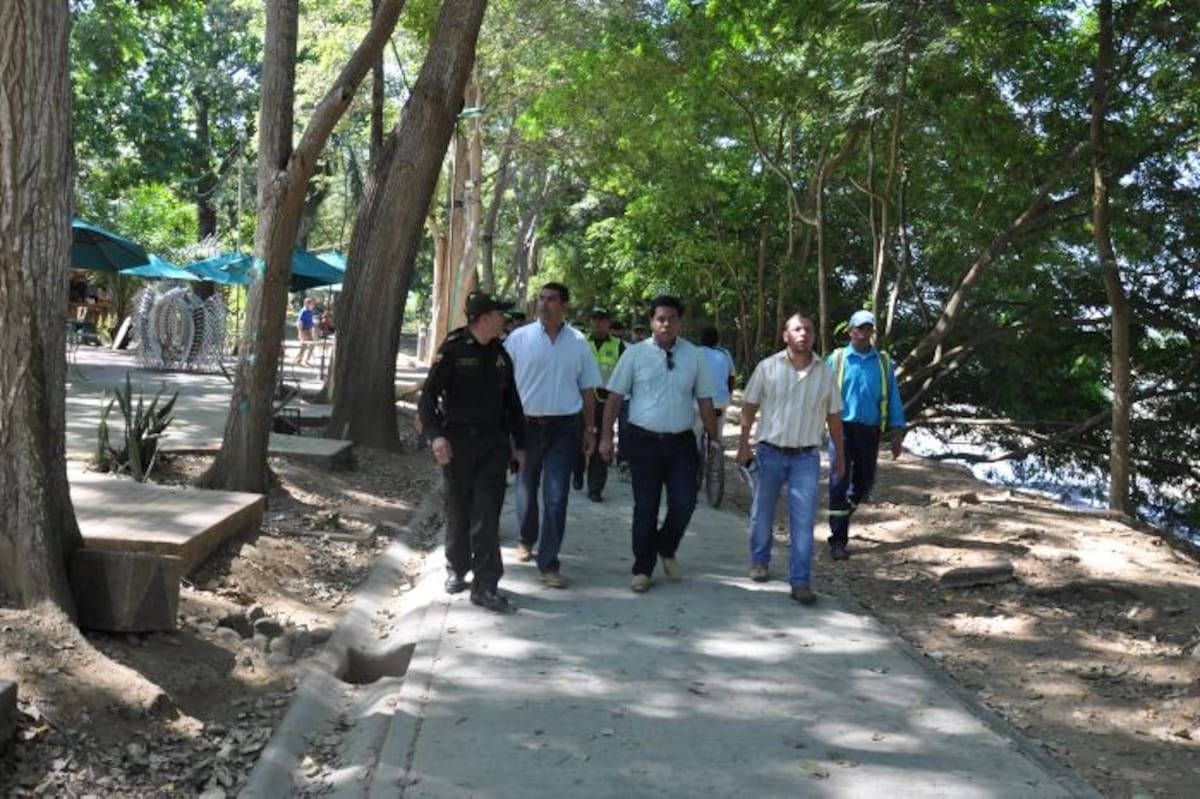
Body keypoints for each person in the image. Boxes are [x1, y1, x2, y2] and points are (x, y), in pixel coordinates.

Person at [599, 295, 720, 593]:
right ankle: (642, 568)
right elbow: (614, 398)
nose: (666, 324)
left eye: (672, 319)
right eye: (661, 318)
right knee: (646, 507)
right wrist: (605, 437)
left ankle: (666, 546)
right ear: (652, 322)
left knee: (685, 502)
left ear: (680, 322)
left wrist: (714, 440)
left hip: (681, 443)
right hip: (643, 442)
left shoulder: (694, 356)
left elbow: (705, 399)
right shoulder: (634, 355)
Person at [419, 291, 527, 612]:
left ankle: (486, 583)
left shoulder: (501, 355)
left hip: (493, 443)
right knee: (460, 507)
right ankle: (457, 566)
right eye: (499, 314)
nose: (504, 320)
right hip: (458, 442)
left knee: (487, 513)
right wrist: (436, 436)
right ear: (483, 319)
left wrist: (519, 446)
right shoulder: (453, 350)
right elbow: (427, 399)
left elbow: (513, 405)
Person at [736, 313, 845, 605]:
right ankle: (759, 561)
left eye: (808, 329)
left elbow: (834, 418)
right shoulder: (768, 367)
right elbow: (749, 407)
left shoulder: (825, 372)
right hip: (769, 452)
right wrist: (744, 445)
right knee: (762, 512)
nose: (803, 334)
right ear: (785, 335)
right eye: (797, 329)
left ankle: (800, 581)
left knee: (803, 520)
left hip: (806, 458)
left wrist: (840, 457)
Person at [503, 282, 602, 589]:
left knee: (557, 496)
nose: (544, 304)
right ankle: (526, 537)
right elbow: (503, 386)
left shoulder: (578, 342)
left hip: (564, 428)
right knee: (526, 487)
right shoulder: (518, 340)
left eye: (551, 300)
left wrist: (590, 429)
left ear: (564, 307)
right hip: (526, 426)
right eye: (541, 299)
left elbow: (588, 390)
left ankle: (549, 563)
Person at [826, 309, 906, 561]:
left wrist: (897, 432)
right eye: (859, 328)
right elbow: (821, 394)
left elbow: (893, 397)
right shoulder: (837, 359)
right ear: (850, 331)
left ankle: (841, 514)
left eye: (868, 328)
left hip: (870, 432)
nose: (864, 333)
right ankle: (838, 540)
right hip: (841, 429)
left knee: (865, 482)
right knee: (839, 480)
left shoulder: (883, 362)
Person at [573, 308, 626, 502]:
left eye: (602, 320)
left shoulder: (619, 346)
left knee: (603, 441)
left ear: (609, 322)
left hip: (606, 402)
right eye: (595, 320)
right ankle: (577, 470)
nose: (598, 324)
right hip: (579, 402)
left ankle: (595, 487)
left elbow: (624, 374)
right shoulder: (580, 343)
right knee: (578, 440)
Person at [696, 325, 736, 447]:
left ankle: (697, 454)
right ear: (717, 340)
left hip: (699, 402)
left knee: (696, 435)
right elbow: (731, 377)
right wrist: (728, 395)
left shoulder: (695, 353)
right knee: (718, 437)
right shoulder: (725, 353)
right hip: (721, 401)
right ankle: (716, 454)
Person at [294, 297, 317, 365]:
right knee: (303, 346)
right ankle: (298, 360)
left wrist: (314, 325)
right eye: (311, 304)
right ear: (307, 304)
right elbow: (299, 322)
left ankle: (306, 360)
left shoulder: (310, 312)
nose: (313, 305)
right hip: (303, 330)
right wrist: (300, 332)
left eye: (313, 304)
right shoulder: (303, 311)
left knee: (312, 345)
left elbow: (310, 322)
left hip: (309, 330)